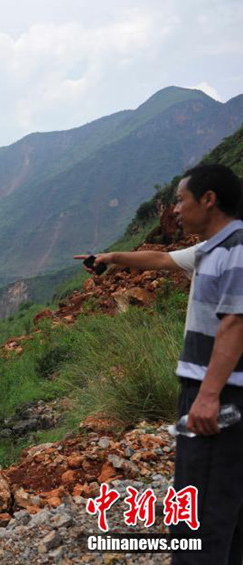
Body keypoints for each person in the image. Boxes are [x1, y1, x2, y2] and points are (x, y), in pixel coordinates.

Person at [74, 163, 243, 564]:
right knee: (225, 502)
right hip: (215, 393)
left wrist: (207, 397)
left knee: (198, 508)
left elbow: (236, 323)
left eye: (182, 201)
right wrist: (110, 256)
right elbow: (162, 260)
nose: (176, 211)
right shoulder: (213, 248)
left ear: (209, 199)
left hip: (219, 397)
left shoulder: (236, 250)